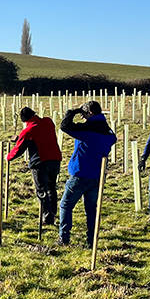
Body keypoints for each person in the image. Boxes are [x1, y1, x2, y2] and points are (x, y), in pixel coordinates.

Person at [58, 101, 117, 248]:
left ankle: (64, 238)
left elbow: (64, 126)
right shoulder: (106, 130)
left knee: (66, 205)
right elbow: (113, 138)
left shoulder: (86, 130)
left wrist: (72, 112)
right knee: (91, 209)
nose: (83, 117)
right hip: (98, 175)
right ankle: (91, 240)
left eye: (84, 114)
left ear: (90, 113)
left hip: (81, 172)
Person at [6, 106, 63, 225]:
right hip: (55, 159)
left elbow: (20, 149)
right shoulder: (48, 122)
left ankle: (47, 217)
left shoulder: (28, 130)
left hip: (40, 163)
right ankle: (53, 213)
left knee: (41, 190)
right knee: (52, 187)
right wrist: (20, 138)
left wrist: (8, 157)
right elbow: (40, 137)